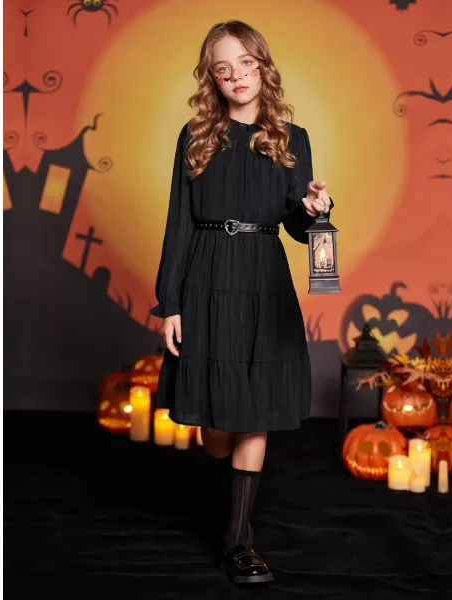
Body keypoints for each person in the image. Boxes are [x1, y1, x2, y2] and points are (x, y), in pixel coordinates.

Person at [150, 20, 334, 585]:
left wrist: (314, 209)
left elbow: (300, 229)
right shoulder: (196, 135)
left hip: (263, 277)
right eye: (223, 68)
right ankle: (222, 473)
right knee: (217, 429)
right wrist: (170, 302)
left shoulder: (292, 138)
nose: (237, 76)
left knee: (255, 411)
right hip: (205, 275)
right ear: (212, 77)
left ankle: (239, 541)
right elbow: (178, 222)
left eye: (246, 63)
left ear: (263, 67)